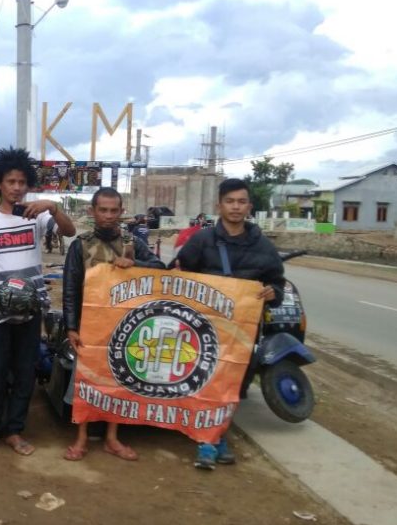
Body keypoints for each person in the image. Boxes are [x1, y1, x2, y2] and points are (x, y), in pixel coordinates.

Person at [0, 147, 76, 456]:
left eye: (21, 182)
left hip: (31, 306)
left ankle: (14, 431)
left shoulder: (36, 215)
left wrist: (53, 208)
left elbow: (70, 231)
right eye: (10, 181)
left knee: (25, 369)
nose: (16, 187)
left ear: (28, 184)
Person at [176, 177, 286, 471]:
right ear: (219, 205)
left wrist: (273, 292)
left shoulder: (264, 247)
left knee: (233, 385)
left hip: (243, 330)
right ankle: (210, 441)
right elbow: (181, 276)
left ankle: (217, 434)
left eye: (241, 202)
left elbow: (277, 283)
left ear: (249, 206)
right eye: (230, 201)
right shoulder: (202, 241)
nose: (236, 207)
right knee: (206, 380)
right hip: (205, 328)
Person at [62, 187, 165, 462]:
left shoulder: (132, 243)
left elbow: (160, 268)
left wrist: (134, 263)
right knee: (84, 380)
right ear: (92, 211)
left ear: (121, 212)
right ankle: (81, 438)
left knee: (119, 380)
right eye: (103, 210)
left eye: (113, 210)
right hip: (89, 325)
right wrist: (71, 326)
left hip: (125, 327)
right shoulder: (80, 245)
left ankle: (112, 438)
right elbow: (70, 288)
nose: (108, 216)